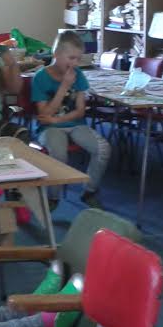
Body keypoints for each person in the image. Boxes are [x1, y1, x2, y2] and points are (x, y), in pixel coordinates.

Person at [31, 31, 111, 210]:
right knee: (59, 154)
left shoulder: (78, 75)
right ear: (56, 54)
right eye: (71, 58)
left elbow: (80, 111)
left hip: (73, 124)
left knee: (103, 149)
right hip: (48, 129)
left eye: (78, 59)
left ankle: (90, 191)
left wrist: (57, 119)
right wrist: (64, 86)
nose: (75, 63)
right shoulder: (41, 77)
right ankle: (53, 197)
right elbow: (44, 114)